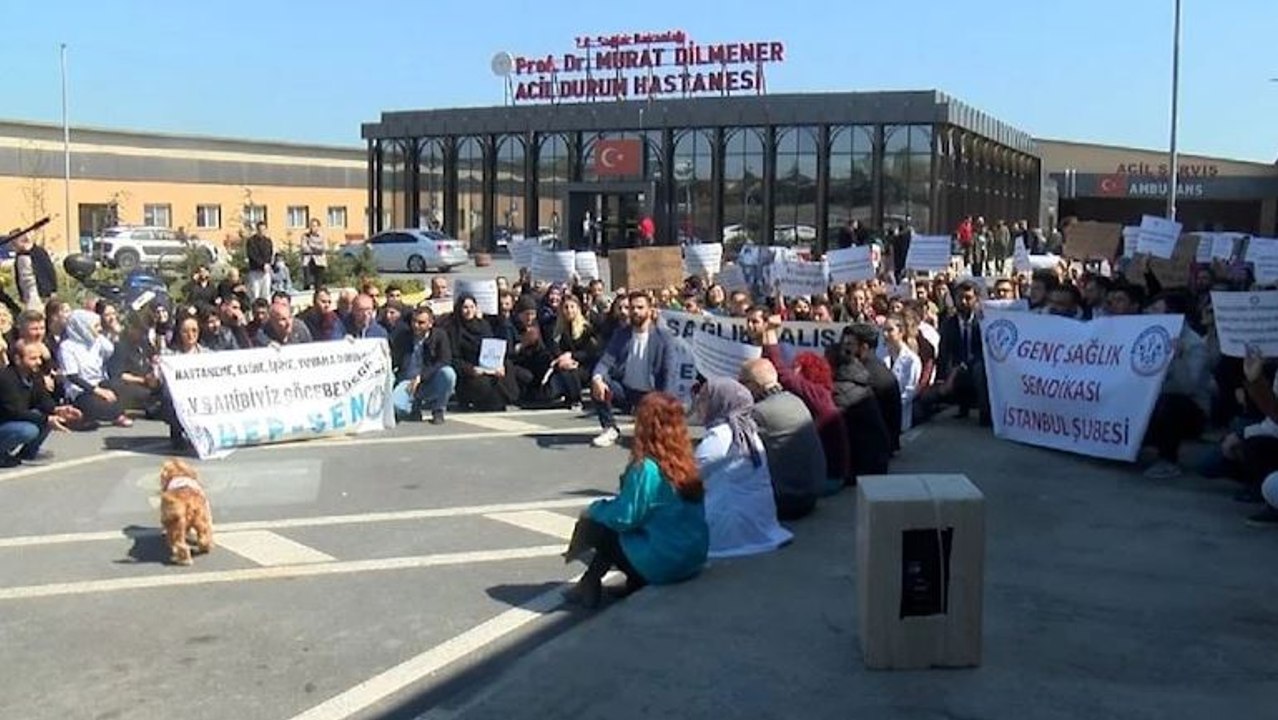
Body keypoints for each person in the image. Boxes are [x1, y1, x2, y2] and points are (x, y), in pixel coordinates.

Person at [562, 392, 708, 608]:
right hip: (692, 558)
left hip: (665, 563)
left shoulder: (647, 468)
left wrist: (593, 510)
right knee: (640, 522)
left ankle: (589, 583)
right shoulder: (687, 461)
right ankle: (626, 582)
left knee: (598, 524)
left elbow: (625, 517)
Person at [694, 377, 792, 558]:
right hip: (757, 523)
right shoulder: (748, 431)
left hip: (732, 530)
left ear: (721, 402)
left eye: (704, 398)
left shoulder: (721, 436)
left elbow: (688, 474)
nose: (698, 403)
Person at [739, 358, 825, 521]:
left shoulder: (759, 412)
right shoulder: (795, 400)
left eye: (742, 382)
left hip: (786, 500)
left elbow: (735, 450)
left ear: (754, 385)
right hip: (812, 492)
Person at [590, 291, 671, 448]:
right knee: (599, 380)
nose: (635, 311)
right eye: (632, 307)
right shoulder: (621, 334)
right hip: (626, 392)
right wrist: (597, 378)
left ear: (649, 310)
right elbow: (606, 361)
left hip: (652, 397)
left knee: (651, 442)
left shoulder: (663, 337)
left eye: (640, 307)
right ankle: (610, 428)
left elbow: (669, 373)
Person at [0, 340, 81, 466]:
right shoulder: (5, 378)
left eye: (39, 358)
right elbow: (15, 412)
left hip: (13, 419)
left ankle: (28, 453)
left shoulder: (34, 375)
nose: (39, 362)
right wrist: (47, 419)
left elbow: (43, 399)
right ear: (17, 359)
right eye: (33, 358)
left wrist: (58, 410)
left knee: (46, 417)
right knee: (28, 430)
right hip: (4, 421)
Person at [58, 309, 131, 427]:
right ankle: (85, 414)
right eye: (96, 326)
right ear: (83, 326)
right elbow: (72, 376)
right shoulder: (67, 347)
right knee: (95, 406)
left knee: (120, 386)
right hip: (80, 390)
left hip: (99, 383)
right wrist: (98, 391)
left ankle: (116, 413)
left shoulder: (96, 341)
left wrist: (115, 333)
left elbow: (112, 352)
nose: (99, 329)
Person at [448, 294, 516, 412]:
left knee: (507, 367)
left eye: (471, 307)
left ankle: (503, 400)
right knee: (484, 383)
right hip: (469, 374)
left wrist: (498, 365)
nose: (469, 311)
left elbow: (492, 347)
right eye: (465, 307)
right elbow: (453, 358)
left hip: (487, 367)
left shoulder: (483, 325)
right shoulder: (453, 329)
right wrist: (471, 369)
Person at [391, 305, 455, 424]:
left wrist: (421, 377)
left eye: (421, 323)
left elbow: (444, 360)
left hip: (429, 381)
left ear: (430, 323)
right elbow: (394, 360)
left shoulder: (440, 336)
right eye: (414, 321)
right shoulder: (403, 336)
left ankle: (438, 410)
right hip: (407, 383)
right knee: (396, 406)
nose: (416, 325)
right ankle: (413, 409)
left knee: (448, 373)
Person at [879, 314, 922, 432]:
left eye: (890, 330)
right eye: (884, 330)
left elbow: (910, 391)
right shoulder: (881, 356)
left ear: (901, 332)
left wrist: (891, 404)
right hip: (881, 416)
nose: (885, 334)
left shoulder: (911, 360)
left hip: (900, 415)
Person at [244, 221, 273, 302]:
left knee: (266, 293)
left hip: (265, 271)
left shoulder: (268, 241)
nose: (262, 231)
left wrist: (267, 264)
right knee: (255, 294)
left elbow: (270, 254)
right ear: (257, 230)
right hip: (255, 271)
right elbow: (252, 255)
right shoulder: (251, 241)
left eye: (263, 230)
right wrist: (262, 264)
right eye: (260, 230)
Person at [299, 218, 327, 290]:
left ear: (318, 227)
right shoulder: (305, 236)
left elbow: (323, 248)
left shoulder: (322, 236)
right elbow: (304, 248)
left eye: (314, 226)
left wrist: (311, 245)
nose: (313, 228)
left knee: (318, 283)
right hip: (308, 261)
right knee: (307, 281)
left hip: (319, 262)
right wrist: (316, 249)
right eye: (311, 226)